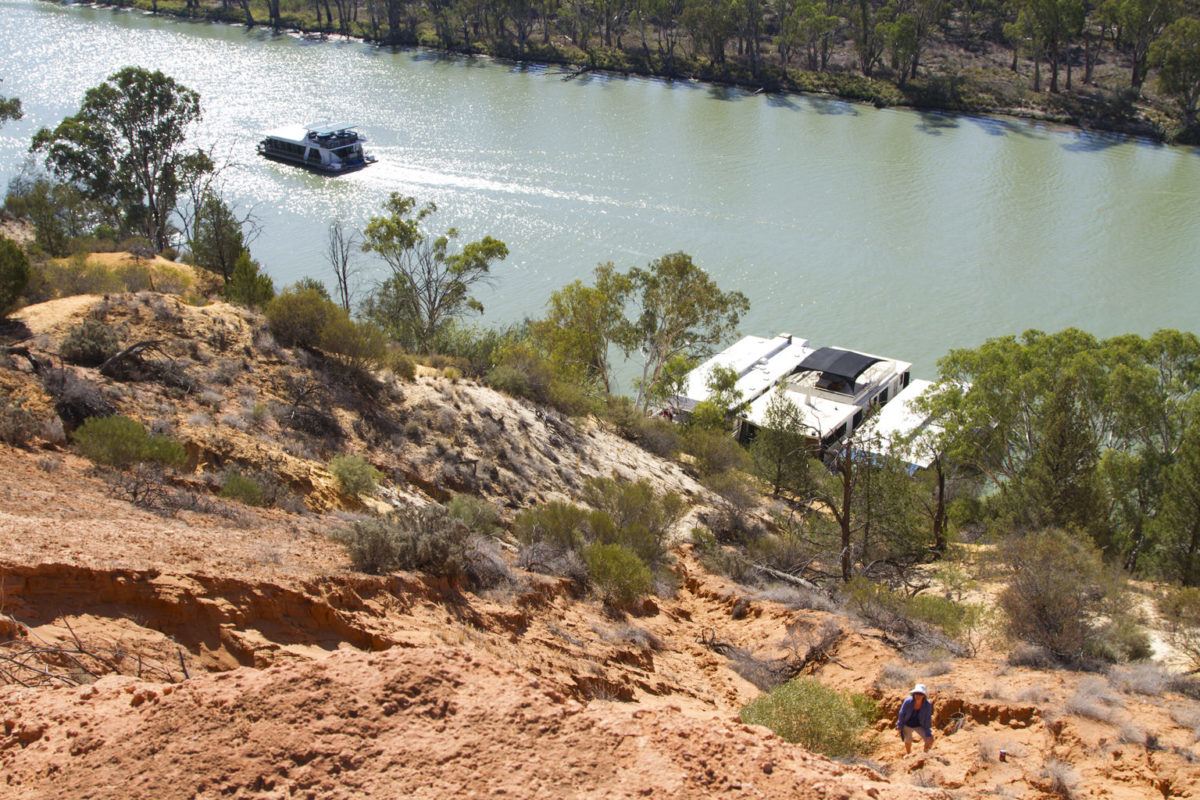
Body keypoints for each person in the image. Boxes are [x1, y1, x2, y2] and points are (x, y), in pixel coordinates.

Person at [896, 683, 934, 754]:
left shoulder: (927, 705)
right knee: (908, 740)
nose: (918, 696)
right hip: (907, 724)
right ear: (913, 694)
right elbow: (901, 713)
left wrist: (928, 732)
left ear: (924, 695)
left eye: (920, 694)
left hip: (919, 725)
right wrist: (899, 726)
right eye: (916, 693)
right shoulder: (908, 701)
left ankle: (925, 754)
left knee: (930, 739)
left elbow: (927, 718)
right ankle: (909, 754)